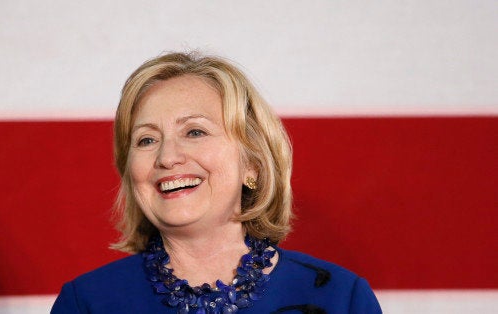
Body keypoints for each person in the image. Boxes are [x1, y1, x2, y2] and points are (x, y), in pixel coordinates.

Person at [51, 52, 382, 314]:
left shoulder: (340, 297)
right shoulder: (87, 303)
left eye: (195, 132)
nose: (167, 157)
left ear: (252, 163)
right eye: (146, 140)